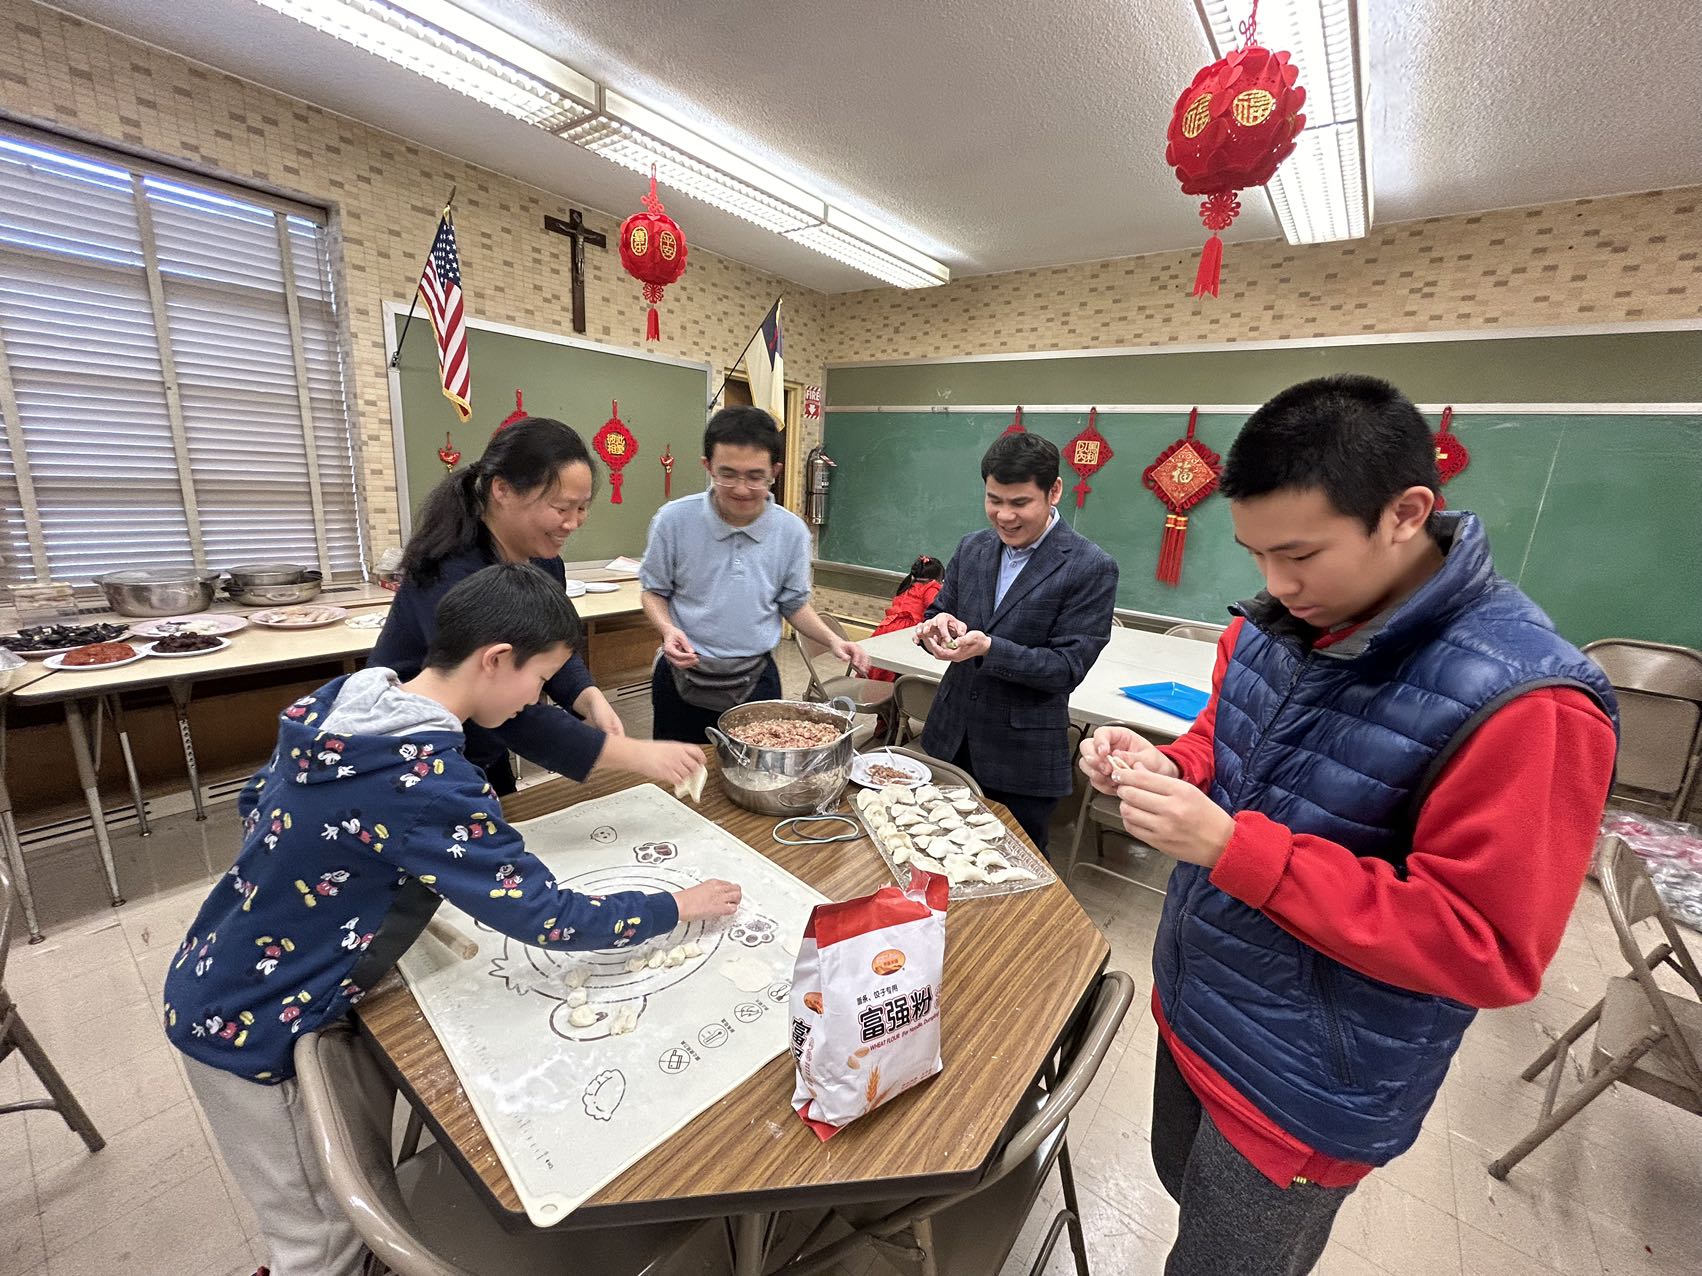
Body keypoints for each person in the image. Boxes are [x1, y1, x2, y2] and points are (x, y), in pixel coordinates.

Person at [1077, 375, 1618, 1276]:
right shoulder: (1272, 624)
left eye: (1300, 554)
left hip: (1307, 1086)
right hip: (1199, 1008)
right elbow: (1227, 741)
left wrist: (1229, 846)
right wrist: (1167, 765)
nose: (1276, 585)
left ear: (1406, 512)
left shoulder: (1530, 701)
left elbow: (1486, 945)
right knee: (1184, 1196)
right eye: (1254, 555)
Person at [164, 563, 742, 1276]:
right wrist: (674, 905)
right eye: (542, 680)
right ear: (495, 660)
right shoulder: (427, 778)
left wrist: (368, 885)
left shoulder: (346, 701)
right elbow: (548, 918)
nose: (540, 701)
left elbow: (258, 805)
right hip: (254, 1029)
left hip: (217, 960)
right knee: (323, 1237)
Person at [371, 415, 704, 794]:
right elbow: (506, 710)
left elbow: (548, 646)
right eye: (561, 508)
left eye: (582, 508)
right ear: (502, 490)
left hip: (481, 751)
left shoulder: (542, 558)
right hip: (410, 756)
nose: (572, 523)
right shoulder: (449, 574)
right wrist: (633, 754)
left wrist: (586, 695)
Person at [916, 432, 1118, 852]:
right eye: (994, 500)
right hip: (949, 739)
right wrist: (934, 627)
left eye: (1020, 503)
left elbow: (1066, 668)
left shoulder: (1089, 567)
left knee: (1011, 867)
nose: (1004, 516)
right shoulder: (972, 548)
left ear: (1054, 491)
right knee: (933, 850)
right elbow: (939, 612)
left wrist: (991, 649)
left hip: (1020, 757)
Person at [641, 406, 870, 742]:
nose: (741, 489)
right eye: (727, 474)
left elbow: (792, 604)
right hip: (681, 674)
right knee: (678, 778)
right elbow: (653, 591)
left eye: (755, 476)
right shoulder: (673, 521)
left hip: (755, 677)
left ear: (774, 471)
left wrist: (835, 640)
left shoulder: (791, 531)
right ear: (707, 466)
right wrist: (666, 629)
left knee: (756, 776)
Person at [865, 554, 945, 682]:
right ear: (937, 578)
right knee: (901, 664)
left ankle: (876, 688)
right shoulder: (931, 587)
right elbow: (935, 607)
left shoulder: (909, 585)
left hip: (887, 627)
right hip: (906, 630)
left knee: (883, 666)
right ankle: (895, 692)